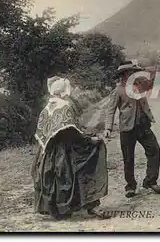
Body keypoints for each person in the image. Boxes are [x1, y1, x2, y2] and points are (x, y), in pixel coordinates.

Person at [31, 76, 110, 220]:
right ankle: (90, 205)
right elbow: (71, 133)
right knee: (82, 167)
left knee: (53, 176)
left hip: (47, 152)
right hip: (64, 149)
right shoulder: (65, 106)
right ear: (63, 92)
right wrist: (89, 139)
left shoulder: (46, 108)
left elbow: (44, 132)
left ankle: (58, 209)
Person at [104, 55, 160, 198]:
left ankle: (150, 181)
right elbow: (110, 110)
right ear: (124, 74)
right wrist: (108, 128)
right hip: (127, 128)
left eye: (134, 72)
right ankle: (130, 186)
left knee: (154, 150)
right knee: (128, 157)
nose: (133, 74)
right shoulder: (118, 91)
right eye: (131, 72)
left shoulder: (140, 85)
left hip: (143, 125)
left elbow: (155, 81)